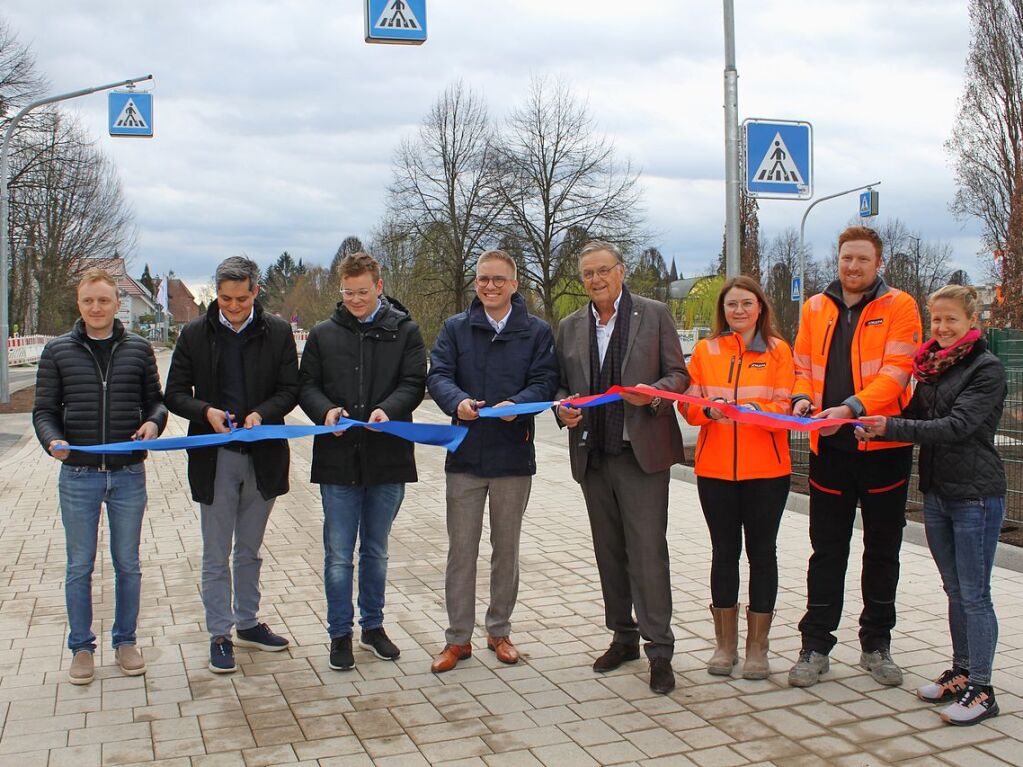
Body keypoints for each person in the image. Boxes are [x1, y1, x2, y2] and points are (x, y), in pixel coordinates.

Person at [856, 285, 1006, 726]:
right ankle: (961, 673)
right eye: (936, 319)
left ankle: (983, 688)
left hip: (976, 496)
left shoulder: (986, 369)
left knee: (976, 596)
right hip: (939, 493)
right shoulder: (933, 369)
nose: (941, 327)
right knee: (955, 590)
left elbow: (956, 426)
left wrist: (890, 424)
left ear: (971, 322)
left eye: (951, 320)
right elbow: (919, 419)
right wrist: (874, 426)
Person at [787, 225, 922, 688]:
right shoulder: (815, 307)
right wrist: (802, 400)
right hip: (831, 450)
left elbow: (897, 371)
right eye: (846, 258)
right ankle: (815, 645)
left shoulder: (899, 306)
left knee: (882, 550)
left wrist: (851, 407)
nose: (853, 266)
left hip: (882, 447)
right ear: (837, 259)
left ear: (878, 263)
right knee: (827, 551)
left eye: (863, 259)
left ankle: (876, 645)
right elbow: (802, 366)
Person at [555, 240, 688, 694]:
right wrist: (562, 411)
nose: (595, 279)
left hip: (641, 455)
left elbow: (678, 376)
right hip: (593, 455)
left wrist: (651, 393)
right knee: (609, 553)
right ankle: (623, 637)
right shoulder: (571, 326)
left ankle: (660, 651)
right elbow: (560, 387)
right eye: (587, 273)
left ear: (621, 271)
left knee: (647, 554)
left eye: (603, 270)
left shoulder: (653, 315)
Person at [426, 249, 559, 673]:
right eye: (483, 279)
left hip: (512, 456)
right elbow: (438, 374)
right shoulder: (456, 328)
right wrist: (457, 401)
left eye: (498, 279)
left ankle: (499, 630)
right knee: (461, 550)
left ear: (515, 284)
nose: (489, 286)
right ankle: (457, 639)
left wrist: (515, 406)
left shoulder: (536, 332)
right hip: (464, 456)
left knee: (506, 550)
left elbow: (545, 382)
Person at [33, 268, 168, 685]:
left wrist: (153, 425)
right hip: (78, 476)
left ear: (116, 304)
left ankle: (125, 641)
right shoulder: (57, 352)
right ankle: (81, 647)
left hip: (128, 474)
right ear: (79, 303)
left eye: (104, 300)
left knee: (128, 563)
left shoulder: (139, 349)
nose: (96, 308)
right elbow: (44, 412)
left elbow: (156, 404)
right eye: (89, 300)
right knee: (79, 565)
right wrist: (52, 442)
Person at [165, 256, 299, 674]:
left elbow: (289, 389)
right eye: (225, 299)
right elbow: (173, 394)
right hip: (214, 458)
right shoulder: (194, 334)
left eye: (242, 298)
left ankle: (248, 622)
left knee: (249, 550)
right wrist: (206, 411)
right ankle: (219, 633)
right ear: (216, 294)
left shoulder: (277, 332)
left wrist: (262, 413)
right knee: (215, 551)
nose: (234, 306)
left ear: (255, 292)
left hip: (263, 455)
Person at [298, 252, 426, 671]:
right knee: (338, 554)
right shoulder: (322, 334)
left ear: (379, 286)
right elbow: (307, 386)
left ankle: (373, 627)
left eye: (363, 292)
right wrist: (325, 412)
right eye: (348, 292)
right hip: (337, 460)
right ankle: (340, 634)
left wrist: (388, 410)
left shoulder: (405, 331)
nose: (354, 299)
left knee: (376, 550)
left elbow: (414, 382)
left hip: (387, 457)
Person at [681, 276, 794, 680]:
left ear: (760, 307)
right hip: (715, 471)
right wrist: (706, 411)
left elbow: (783, 403)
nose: (739, 311)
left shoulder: (779, 351)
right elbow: (690, 404)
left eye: (747, 303)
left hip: (767, 470)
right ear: (723, 311)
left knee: (763, 555)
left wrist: (744, 406)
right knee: (723, 554)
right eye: (732, 305)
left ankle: (757, 648)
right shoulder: (705, 350)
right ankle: (724, 645)